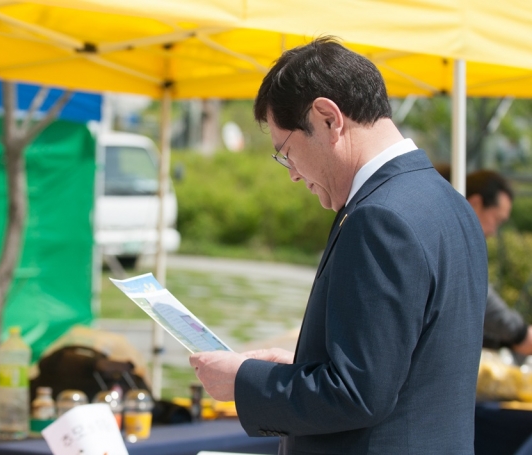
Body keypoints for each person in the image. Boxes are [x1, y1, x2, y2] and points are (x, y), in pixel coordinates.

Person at [189, 37, 488, 454]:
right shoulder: (450, 203)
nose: (292, 174)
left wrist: (244, 380)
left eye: (286, 152)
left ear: (328, 118)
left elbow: (356, 393)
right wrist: (299, 369)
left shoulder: (380, 217)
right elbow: (403, 367)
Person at [466, 170, 532, 354]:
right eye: (496, 219)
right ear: (476, 203)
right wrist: (519, 334)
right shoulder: (451, 242)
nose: (494, 232)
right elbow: (477, 290)